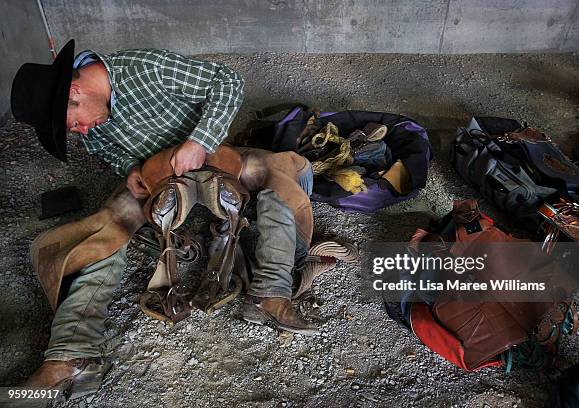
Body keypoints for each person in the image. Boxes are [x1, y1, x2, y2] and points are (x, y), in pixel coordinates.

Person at [11, 40, 341, 398]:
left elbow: (227, 81)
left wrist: (199, 141)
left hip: (213, 157)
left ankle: (270, 292)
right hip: (155, 179)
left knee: (281, 175)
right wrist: (130, 168)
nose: (82, 131)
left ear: (75, 92)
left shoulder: (144, 68)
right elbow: (104, 147)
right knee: (106, 232)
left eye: (75, 123)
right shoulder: (95, 117)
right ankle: (69, 358)